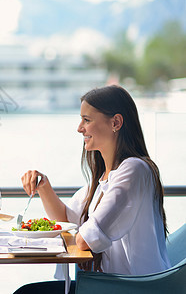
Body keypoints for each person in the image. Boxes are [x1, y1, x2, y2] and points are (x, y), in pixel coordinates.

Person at [16, 85, 171, 293]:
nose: (80, 128)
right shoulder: (104, 179)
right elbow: (67, 220)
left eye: (87, 120)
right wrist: (44, 187)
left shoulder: (134, 170)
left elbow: (84, 239)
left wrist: (79, 235)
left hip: (131, 288)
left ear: (115, 122)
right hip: (108, 284)